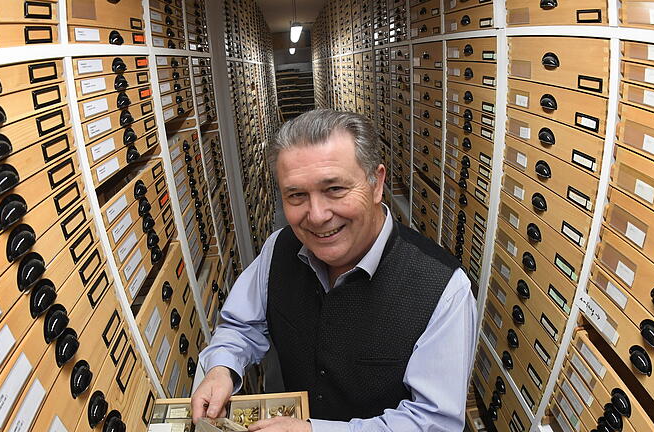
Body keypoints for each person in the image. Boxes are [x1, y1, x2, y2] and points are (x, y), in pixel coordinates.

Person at [192, 109, 477, 432]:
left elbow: (434, 422)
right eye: (296, 195)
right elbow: (241, 325)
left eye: (335, 189)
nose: (316, 215)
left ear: (376, 183)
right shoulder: (279, 247)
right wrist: (222, 368)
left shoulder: (443, 289)